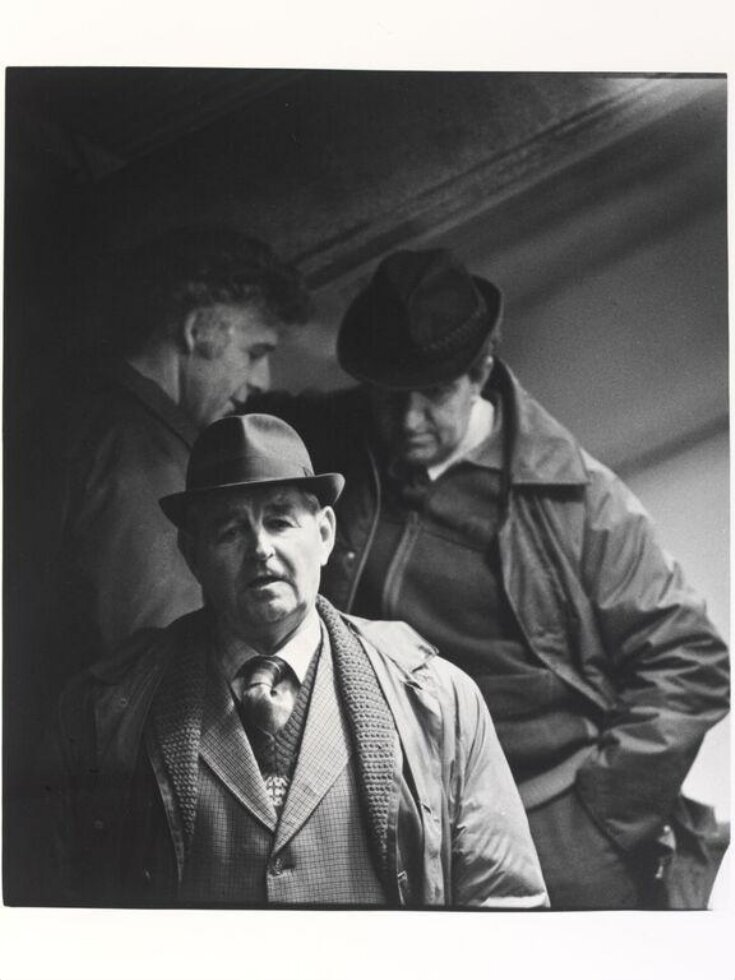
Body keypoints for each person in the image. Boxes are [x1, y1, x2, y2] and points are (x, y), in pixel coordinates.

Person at [250, 248, 730, 909]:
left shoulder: (580, 498)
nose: (409, 421)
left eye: (435, 394)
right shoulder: (330, 442)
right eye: (389, 397)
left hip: (547, 821)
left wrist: (597, 821)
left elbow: (691, 659)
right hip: (379, 818)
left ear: (480, 370)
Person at [41, 414, 547, 909]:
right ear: (191, 554)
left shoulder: (437, 697)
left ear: (325, 534)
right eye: (230, 531)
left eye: (280, 521)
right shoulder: (103, 712)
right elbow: (58, 921)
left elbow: (505, 910)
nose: (261, 549)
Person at [5, 227, 310, 904]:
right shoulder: (145, 460)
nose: (260, 381)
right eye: (254, 351)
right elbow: (152, 665)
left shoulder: (81, 416)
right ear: (200, 329)